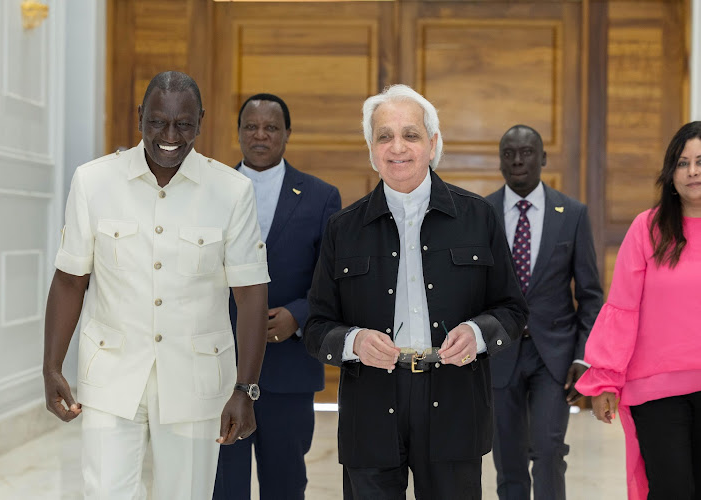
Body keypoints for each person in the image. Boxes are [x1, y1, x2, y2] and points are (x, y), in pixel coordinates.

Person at [42, 71, 270, 499]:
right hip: (111, 372)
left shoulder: (233, 191)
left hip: (196, 381)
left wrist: (245, 387)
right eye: (157, 122)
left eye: (183, 124)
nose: (170, 135)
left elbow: (251, 292)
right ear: (139, 117)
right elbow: (71, 279)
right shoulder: (93, 182)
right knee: (105, 492)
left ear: (200, 121)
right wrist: (52, 366)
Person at [304, 84, 528, 499]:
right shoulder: (342, 228)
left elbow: (512, 309)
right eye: (384, 136)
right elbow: (317, 326)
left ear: (432, 143)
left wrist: (478, 335)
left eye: (410, 134)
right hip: (370, 407)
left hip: (455, 401)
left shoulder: (477, 217)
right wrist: (353, 341)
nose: (397, 147)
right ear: (371, 149)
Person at [213, 94, 341, 499]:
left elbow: (333, 279)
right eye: (251, 127)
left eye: (271, 127)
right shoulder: (209, 190)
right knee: (223, 485)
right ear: (238, 133)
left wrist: (299, 316)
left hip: (289, 369)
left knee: (285, 484)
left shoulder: (322, 197)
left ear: (287, 133)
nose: (261, 135)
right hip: (219, 369)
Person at [576, 121, 701, 500]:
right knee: (671, 489)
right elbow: (623, 308)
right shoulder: (647, 228)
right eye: (682, 163)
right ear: (670, 172)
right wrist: (605, 379)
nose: (693, 171)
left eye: (700, 161)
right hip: (657, 391)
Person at [485, 125, 603, 500]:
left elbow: (590, 295)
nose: (518, 160)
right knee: (508, 460)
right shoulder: (480, 213)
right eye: (509, 153)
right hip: (499, 354)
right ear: (501, 159)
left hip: (553, 356)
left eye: (527, 152)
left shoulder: (572, 214)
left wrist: (584, 357)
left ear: (543, 158)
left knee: (549, 451)